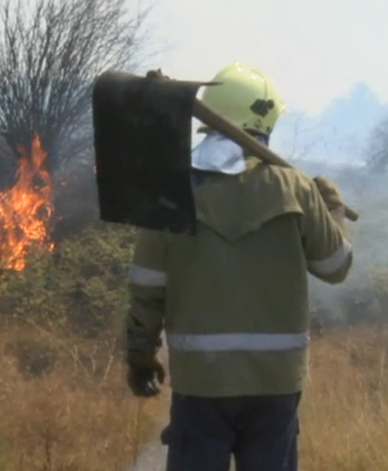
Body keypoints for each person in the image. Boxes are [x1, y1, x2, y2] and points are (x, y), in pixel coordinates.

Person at [123, 61, 354, 471]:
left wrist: (141, 353)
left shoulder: (173, 189)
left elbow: (147, 285)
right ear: (264, 120)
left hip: (202, 382)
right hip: (276, 383)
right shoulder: (295, 188)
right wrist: (330, 209)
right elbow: (336, 266)